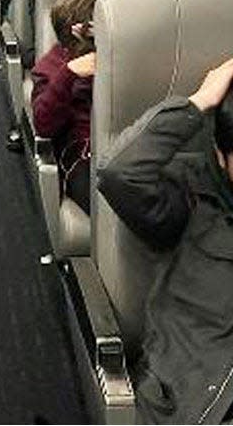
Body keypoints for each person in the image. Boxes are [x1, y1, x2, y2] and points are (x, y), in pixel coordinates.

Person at [96, 57, 233, 424]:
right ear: (220, 157)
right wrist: (198, 102)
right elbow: (118, 173)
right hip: (199, 399)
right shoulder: (191, 199)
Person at [31, 0, 101, 213]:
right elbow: (43, 125)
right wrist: (69, 74)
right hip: (83, 158)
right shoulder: (51, 67)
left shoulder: (119, 57)